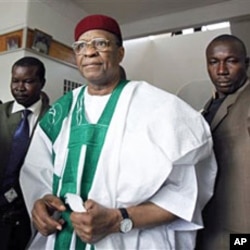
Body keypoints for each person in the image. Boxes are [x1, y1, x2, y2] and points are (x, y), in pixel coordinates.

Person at [20, 14, 217, 250]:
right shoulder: (60, 112)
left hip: (131, 240)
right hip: (63, 240)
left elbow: (187, 193)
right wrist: (41, 203)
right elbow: (37, 174)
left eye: (101, 44)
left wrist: (118, 219)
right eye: (81, 46)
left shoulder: (161, 109)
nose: (90, 52)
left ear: (120, 53)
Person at [196, 34, 250, 250]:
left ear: (246, 63)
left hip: (242, 230)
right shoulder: (209, 106)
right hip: (211, 224)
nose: (221, 71)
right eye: (214, 62)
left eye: (231, 61)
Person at [0, 56, 50, 250]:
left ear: (41, 83)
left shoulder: (54, 120)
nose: (20, 87)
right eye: (15, 81)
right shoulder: (1, 113)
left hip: (28, 212)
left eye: (28, 81)